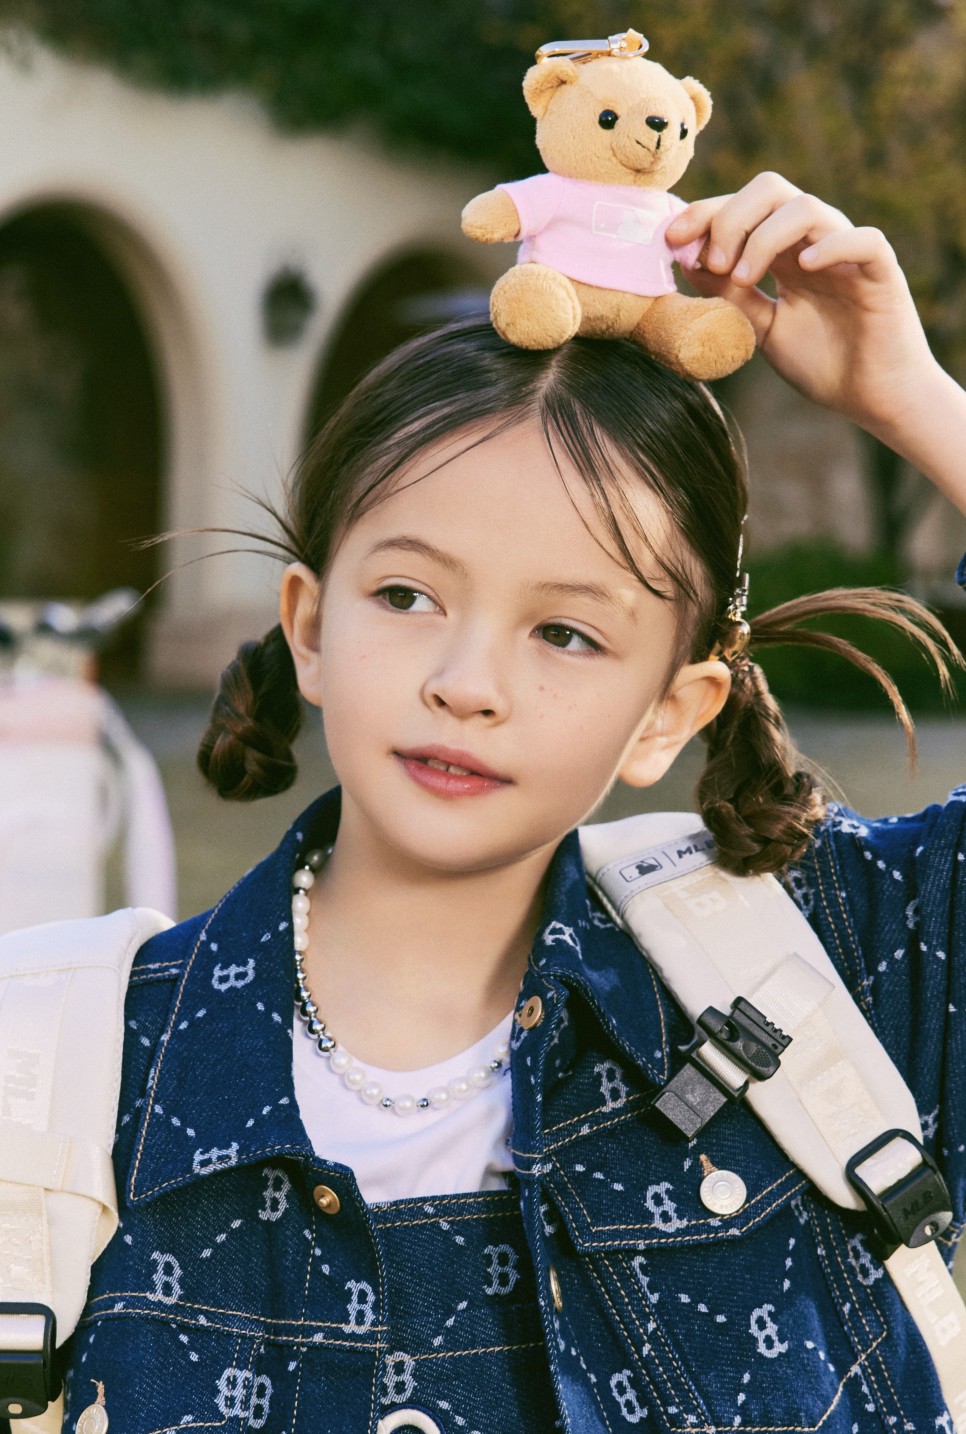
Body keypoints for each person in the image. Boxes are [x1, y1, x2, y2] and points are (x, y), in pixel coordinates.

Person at [56, 174, 966, 1432]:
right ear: (309, 629)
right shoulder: (60, 1082)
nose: (465, 684)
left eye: (567, 633)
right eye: (409, 598)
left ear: (672, 712)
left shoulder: (824, 975)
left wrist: (913, 399)